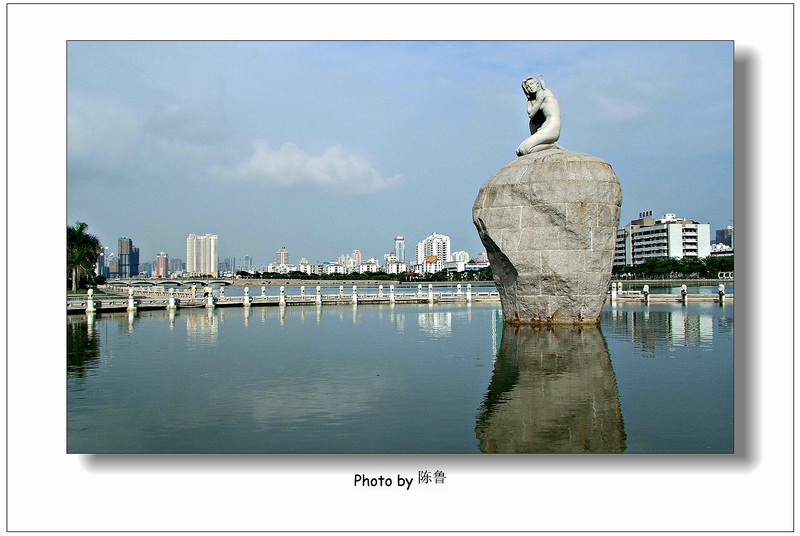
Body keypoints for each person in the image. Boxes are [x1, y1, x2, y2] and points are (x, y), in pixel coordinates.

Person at [516, 75, 561, 156]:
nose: (530, 87)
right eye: (528, 87)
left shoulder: (543, 92)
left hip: (552, 128)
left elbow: (531, 113)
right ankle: (549, 146)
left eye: (532, 84)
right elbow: (531, 117)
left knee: (524, 150)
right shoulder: (536, 99)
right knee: (518, 151)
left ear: (537, 84)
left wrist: (529, 99)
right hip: (545, 128)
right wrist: (529, 98)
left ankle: (552, 146)